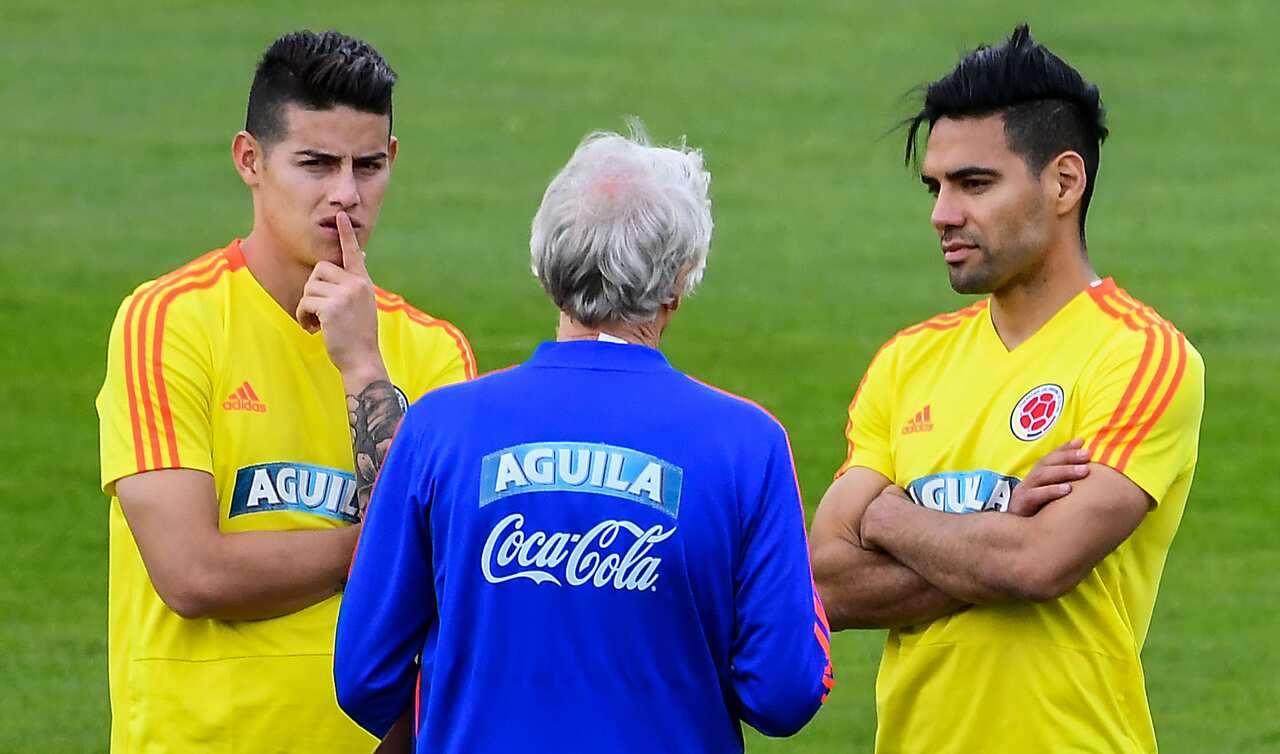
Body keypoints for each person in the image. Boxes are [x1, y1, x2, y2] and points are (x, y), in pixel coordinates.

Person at [333, 124, 835, 754]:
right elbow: (785, 692)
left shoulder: (437, 428)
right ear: (678, 282)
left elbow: (362, 677)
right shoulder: (747, 444)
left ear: (547, 263)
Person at [809, 24, 1204, 754]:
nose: (942, 214)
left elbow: (1040, 564)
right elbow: (824, 583)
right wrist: (1004, 521)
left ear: (1063, 182)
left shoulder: (1141, 357)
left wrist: (891, 518)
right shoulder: (907, 362)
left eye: (975, 184)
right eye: (936, 187)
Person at [95, 30, 475, 752]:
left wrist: (364, 364)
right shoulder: (168, 322)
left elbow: (449, 585)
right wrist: (384, 547)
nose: (346, 195)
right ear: (251, 160)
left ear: (392, 161)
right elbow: (193, 574)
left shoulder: (432, 351)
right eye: (316, 163)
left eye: (368, 165)